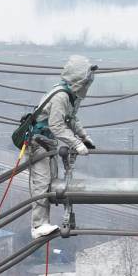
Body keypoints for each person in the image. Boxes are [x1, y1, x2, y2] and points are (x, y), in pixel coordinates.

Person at [28, 55, 96, 239]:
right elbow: (57, 125)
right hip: (38, 143)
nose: (88, 84)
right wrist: (76, 143)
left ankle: (43, 223)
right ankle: (38, 226)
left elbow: (72, 119)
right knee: (42, 183)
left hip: (47, 143)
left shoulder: (70, 96)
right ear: (78, 79)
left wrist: (84, 138)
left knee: (50, 181)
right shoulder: (61, 96)